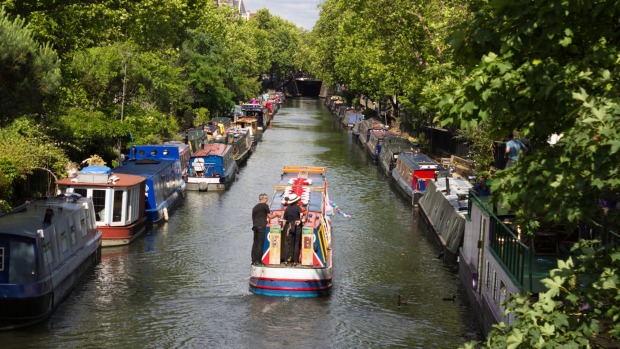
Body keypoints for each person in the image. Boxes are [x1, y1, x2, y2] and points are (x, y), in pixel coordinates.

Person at [251, 193, 280, 265]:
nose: (267, 200)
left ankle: (253, 260)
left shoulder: (255, 207)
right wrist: (276, 215)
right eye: (266, 198)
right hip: (261, 227)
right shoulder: (265, 206)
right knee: (260, 243)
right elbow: (270, 216)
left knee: (255, 243)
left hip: (255, 227)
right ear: (263, 199)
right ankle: (258, 260)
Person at [282, 193, 303, 265]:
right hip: (297, 227)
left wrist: (282, 228)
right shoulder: (298, 207)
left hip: (289, 227)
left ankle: (286, 260)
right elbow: (301, 214)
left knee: (288, 243)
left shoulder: (287, 209)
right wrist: (300, 221)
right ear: (296, 201)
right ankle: (295, 261)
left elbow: (284, 220)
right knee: (296, 243)